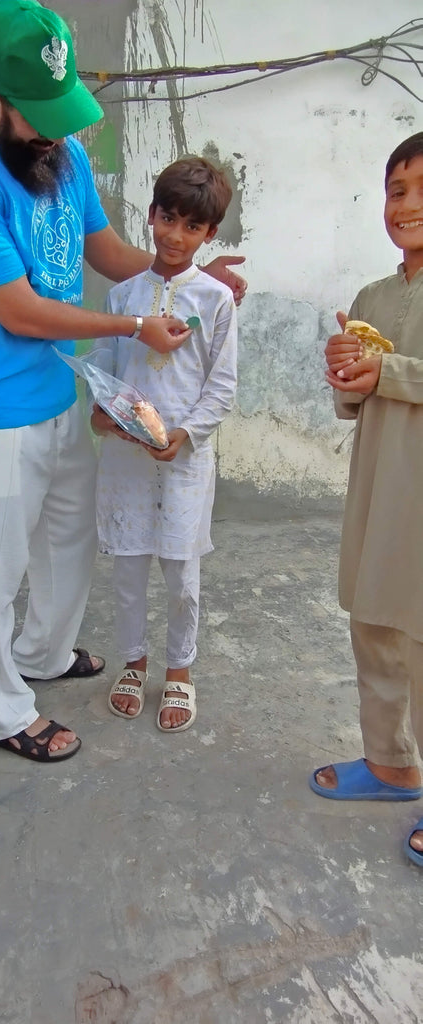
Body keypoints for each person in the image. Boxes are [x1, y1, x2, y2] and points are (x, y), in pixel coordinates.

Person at [0, 0, 246, 763]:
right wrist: (135, 326)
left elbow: (104, 250)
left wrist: (185, 278)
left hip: (59, 389)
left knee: (69, 539)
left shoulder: (58, 154)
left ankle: (41, 653)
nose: (49, 130)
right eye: (32, 114)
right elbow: (20, 311)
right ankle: (1, 707)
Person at [90, 157, 237, 731]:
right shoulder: (122, 297)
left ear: (209, 234)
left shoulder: (215, 300)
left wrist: (185, 433)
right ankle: (134, 661)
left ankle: (179, 670)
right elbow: (104, 369)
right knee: (127, 574)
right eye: (167, 218)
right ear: (150, 215)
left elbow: (221, 386)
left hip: (184, 461)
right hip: (125, 460)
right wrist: (100, 416)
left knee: (182, 576)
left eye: (192, 227)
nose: (176, 236)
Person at [310, 131, 423, 867]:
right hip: (381, 484)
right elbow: (361, 398)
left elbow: (394, 374)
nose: (406, 205)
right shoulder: (374, 297)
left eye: (421, 190)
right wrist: (349, 377)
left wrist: (386, 370)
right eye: (396, 190)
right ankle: (389, 763)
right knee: (375, 622)